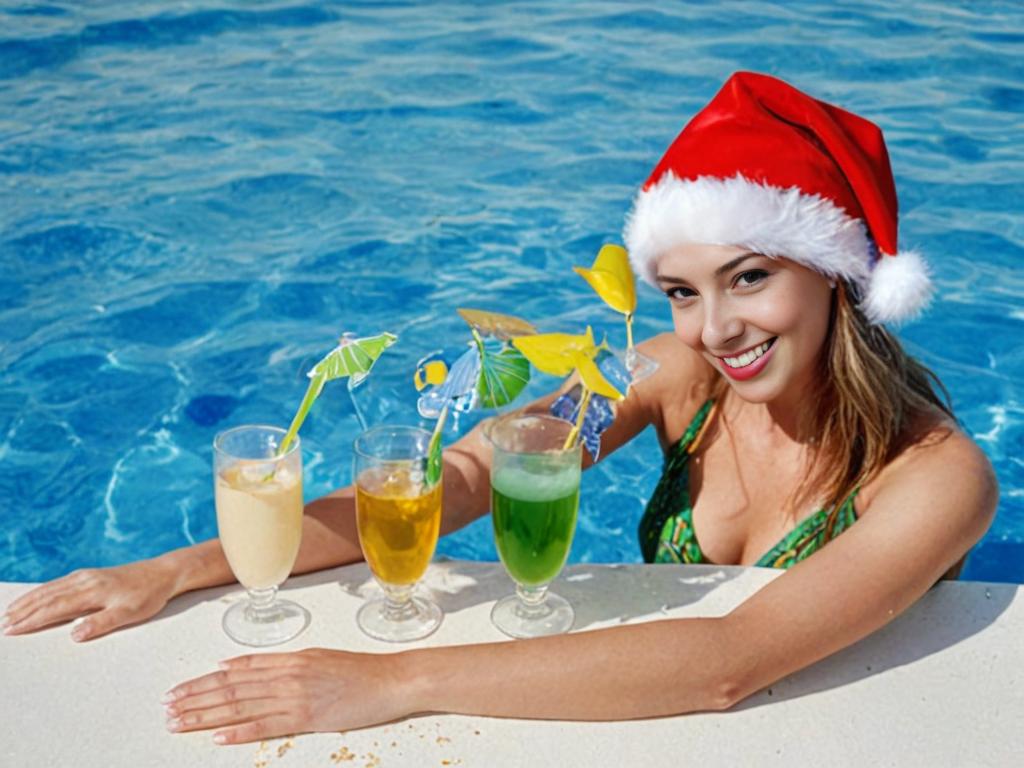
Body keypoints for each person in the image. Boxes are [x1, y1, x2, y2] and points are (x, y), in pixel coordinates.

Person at [3, 72, 998, 744]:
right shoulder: (667, 377)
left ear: (836, 275)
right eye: (685, 292)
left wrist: (389, 683)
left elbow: (730, 663)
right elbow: (466, 477)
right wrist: (173, 569)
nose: (715, 329)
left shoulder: (937, 476)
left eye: (748, 277)